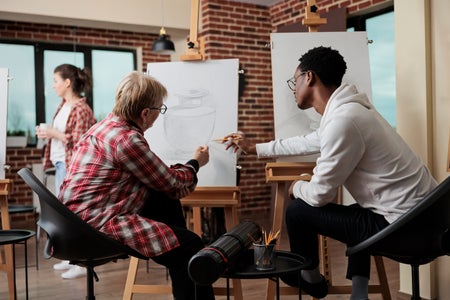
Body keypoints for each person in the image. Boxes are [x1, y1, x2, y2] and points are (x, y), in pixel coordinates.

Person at [223, 46, 437, 300]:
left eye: (295, 81)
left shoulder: (344, 121)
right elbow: (309, 141)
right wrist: (255, 148)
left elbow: (319, 196)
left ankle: (311, 280)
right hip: (427, 219)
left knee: (298, 211)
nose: (293, 89)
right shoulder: (351, 111)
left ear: (309, 77)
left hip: (407, 230)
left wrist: (297, 186)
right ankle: (359, 293)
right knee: (356, 214)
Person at [58, 71, 214, 300]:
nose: (159, 116)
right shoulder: (126, 139)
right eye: (159, 110)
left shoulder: (104, 126)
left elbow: (162, 183)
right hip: (95, 226)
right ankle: (183, 258)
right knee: (191, 247)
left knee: (161, 198)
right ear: (145, 113)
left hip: (70, 221)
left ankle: (177, 255)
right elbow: (174, 184)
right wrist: (195, 163)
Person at [36, 63, 96, 279]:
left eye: (55, 81)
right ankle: (73, 259)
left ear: (67, 82)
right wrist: (50, 134)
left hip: (73, 167)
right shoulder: (63, 105)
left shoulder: (81, 109)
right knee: (66, 213)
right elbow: (61, 136)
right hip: (62, 164)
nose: (53, 86)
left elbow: (81, 143)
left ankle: (82, 262)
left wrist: (55, 134)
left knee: (75, 214)